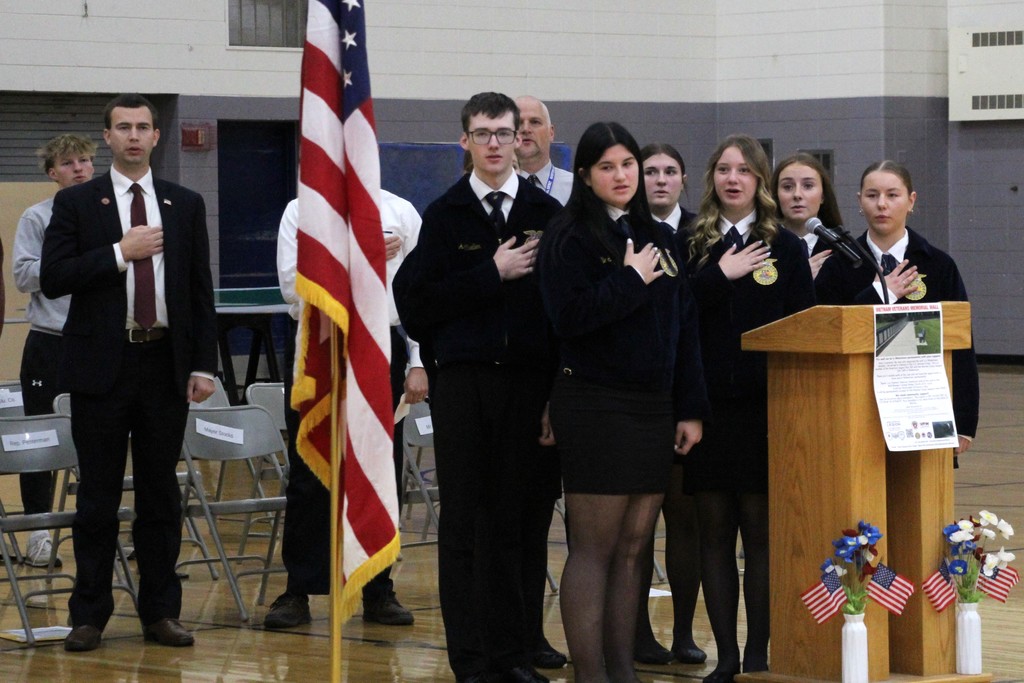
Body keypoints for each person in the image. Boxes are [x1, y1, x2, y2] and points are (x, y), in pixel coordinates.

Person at [393, 91, 562, 683]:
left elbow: (562, 312)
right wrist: (488, 274)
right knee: (464, 525)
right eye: (481, 133)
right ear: (464, 142)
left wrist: (554, 397)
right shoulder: (443, 215)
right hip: (463, 388)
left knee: (517, 524)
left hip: (528, 389)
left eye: (503, 132)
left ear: (520, 139)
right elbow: (416, 307)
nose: (493, 143)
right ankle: (470, 660)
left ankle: (514, 654)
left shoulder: (546, 214)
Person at [40, 93, 218, 652]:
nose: (134, 136)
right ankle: (88, 614)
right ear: (108, 137)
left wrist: (203, 364)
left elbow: (198, 290)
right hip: (102, 366)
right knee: (96, 497)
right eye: (124, 127)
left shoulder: (184, 203)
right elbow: (53, 276)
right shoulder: (77, 203)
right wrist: (120, 251)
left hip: (165, 363)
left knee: (162, 497)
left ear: (158, 136)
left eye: (144, 126)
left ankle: (161, 612)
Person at [537, 122, 709, 683]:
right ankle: (590, 674)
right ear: (585, 175)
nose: (622, 176)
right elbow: (571, 319)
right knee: (593, 548)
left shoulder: (656, 233)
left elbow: (682, 325)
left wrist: (689, 407)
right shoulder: (569, 236)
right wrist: (630, 280)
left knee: (636, 546)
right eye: (607, 167)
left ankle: (622, 669)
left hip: (652, 407)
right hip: (595, 404)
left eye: (628, 165)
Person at [682, 134, 814, 682]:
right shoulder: (692, 241)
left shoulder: (784, 246)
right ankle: (727, 657)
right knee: (713, 534)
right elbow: (676, 316)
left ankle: (758, 653)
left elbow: (803, 326)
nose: (732, 179)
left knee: (760, 536)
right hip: (709, 411)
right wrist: (720, 275)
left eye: (743, 170)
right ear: (712, 177)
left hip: (766, 413)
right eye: (723, 169)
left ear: (760, 180)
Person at [265, 188, 423, 629]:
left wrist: (418, 361)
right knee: (309, 474)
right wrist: (359, 254)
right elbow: (291, 288)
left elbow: (418, 295)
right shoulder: (300, 209)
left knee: (379, 470)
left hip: (380, 345)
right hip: (319, 345)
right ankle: (299, 588)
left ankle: (377, 588)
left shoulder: (400, 210)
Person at [815, 160, 979, 456]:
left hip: (922, 407)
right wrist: (880, 293)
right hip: (855, 406)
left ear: (911, 200)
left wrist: (964, 420)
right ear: (859, 201)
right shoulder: (839, 265)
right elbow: (828, 331)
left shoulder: (938, 265)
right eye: (872, 195)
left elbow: (961, 343)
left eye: (892, 195)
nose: (882, 204)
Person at [629, 141, 707, 667]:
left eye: (669, 171)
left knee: (686, 520)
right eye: (649, 171)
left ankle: (683, 632)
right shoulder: (624, 233)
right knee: (634, 527)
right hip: (633, 402)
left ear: (684, 179)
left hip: (687, 394)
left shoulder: (704, 234)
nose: (659, 180)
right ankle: (635, 633)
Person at [11, 134, 97, 568]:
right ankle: (37, 533)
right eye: (69, 163)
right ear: (53, 173)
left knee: (103, 436)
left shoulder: (110, 214)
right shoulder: (36, 216)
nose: (79, 168)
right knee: (39, 441)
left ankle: (101, 529)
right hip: (50, 343)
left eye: (85, 160)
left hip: (99, 341)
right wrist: (69, 264)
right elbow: (24, 276)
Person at [513, 93, 571, 671]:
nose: (524, 132)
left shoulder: (575, 192)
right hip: (508, 372)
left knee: (551, 515)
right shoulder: (478, 198)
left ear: (551, 132)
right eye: (515, 124)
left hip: (566, 373)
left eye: (533, 122)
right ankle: (513, 632)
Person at [770, 153, 839, 279]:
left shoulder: (841, 250)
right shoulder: (761, 249)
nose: (797, 194)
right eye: (787, 187)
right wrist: (798, 277)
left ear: (823, 195)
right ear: (776, 195)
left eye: (808, 186)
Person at [515, 95, 574, 206]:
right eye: (518, 123)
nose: (526, 129)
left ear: (551, 133)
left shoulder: (575, 189)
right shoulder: (496, 187)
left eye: (535, 122)